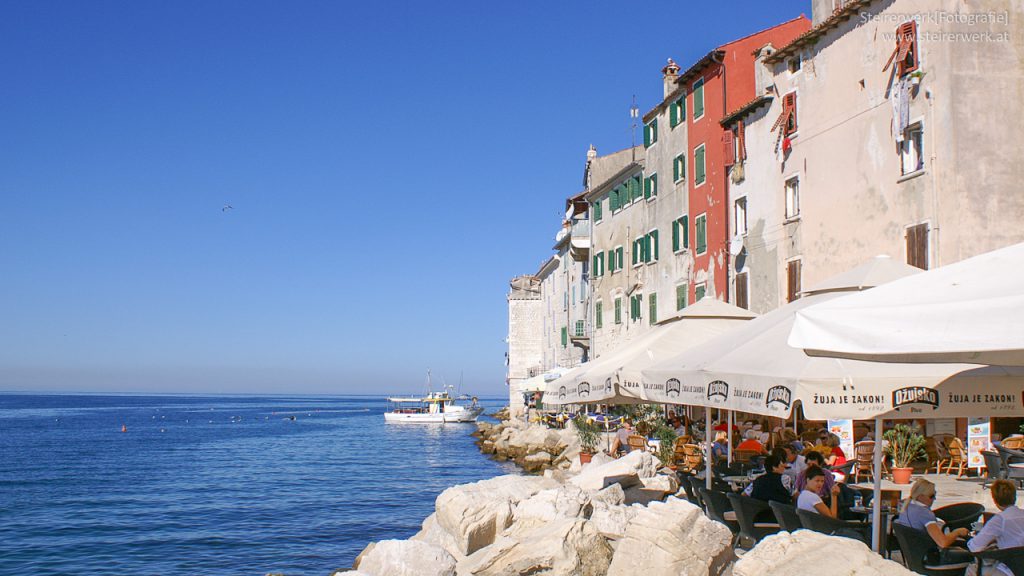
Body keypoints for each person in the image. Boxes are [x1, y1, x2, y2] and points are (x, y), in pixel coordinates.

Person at [897, 478, 973, 565]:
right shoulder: (925, 514)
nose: (934, 499)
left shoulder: (905, 506)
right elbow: (943, 543)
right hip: (930, 557)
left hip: (914, 555)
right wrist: (957, 532)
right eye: (931, 496)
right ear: (920, 497)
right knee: (973, 556)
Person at [967, 479, 1024, 576]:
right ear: (1015, 497)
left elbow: (974, 547)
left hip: (1010, 568)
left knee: (972, 568)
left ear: (995, 500)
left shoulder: (999, 520)